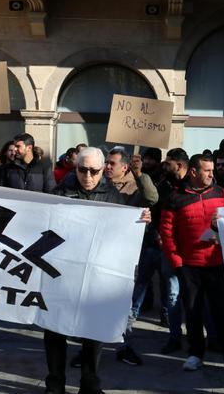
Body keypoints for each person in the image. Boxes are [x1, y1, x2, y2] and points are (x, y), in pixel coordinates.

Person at [43, 147, 150, 394]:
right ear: (75, 168)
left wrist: (140, 221)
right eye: (82, 169)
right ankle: (55, 384)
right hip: (61, 275)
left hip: (95, 279)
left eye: (94, 171)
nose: (88, 176)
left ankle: (90, 384)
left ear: (103, 170)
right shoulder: (59, 193)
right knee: (54, 331)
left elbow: (123, 234)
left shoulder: (113, 197)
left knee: (94, 331)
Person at [159, 153, 224, 373]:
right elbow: (167, 233)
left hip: (216, 263)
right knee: (192, 312)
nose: (213, 174)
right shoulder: (174, 198)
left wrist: (222, 236)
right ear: (193, 172)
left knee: (220, 313)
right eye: (208, 170)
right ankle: (195, 353)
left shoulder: (221, 193)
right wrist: (177, 262)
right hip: (189, 266)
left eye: (213, 170)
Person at [104, 147, 158, 366]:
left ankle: (123, 345)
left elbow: (152, 198)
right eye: (106, 163)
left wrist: (139, 174)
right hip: (103, 250)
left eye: (112, 164)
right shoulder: (98, 183)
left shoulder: (136, 187)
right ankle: (89, 346)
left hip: (128, 253)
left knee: (126, 302)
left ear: (125, 167)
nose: (107, 167)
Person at [148, 148, 190, 356]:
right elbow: (157, 210)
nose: (165, 165)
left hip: (191, 250)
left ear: (179, 165)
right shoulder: (163, 185)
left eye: (169, 162)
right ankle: (175, 337)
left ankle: (196, 337)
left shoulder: (191, 187)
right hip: (169, 247)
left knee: (193, 295)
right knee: (172, 294)